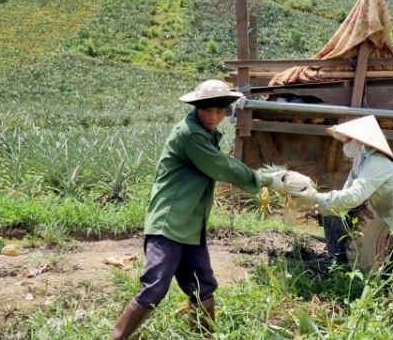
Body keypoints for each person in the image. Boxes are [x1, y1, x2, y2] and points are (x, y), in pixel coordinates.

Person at [110, 79, 285, 340]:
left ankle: (203, 336)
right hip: (169, 223)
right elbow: (221, 166)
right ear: (196, 107)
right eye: (209, 110)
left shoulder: (205, 133)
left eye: (221, 111)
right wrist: (267, 179)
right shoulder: (190, 134)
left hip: (191, 225)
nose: (215, 116)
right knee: (155, 286)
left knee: (202, 285)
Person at [290, 115, 393, 280]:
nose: (345, 142)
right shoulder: (360, 163)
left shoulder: (376, 161)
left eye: (348, 139)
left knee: (391, 277)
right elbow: (346, 198)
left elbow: (354, 197)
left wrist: (317, 198)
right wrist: (322, 207)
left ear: (361, 140)